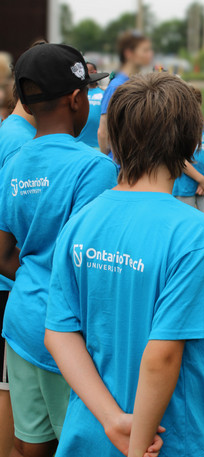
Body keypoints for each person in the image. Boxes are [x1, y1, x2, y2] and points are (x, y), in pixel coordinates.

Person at [44, 73, 204, 457]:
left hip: (91, 433)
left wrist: (112, 420)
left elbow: (59, 334)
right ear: (191, 143)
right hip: (165, 440)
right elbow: (162, 354)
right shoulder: (197, 233)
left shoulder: (80, 221)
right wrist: (137, 441)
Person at [0, 43, 120, 457]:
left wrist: (37, 276)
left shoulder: (13, 163)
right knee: (79, 446)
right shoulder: (95, 168)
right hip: (66, 337)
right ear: (76, 99)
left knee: (27, 446)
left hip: (19, 325)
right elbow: (91, 266)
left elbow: (2, 253)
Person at [0, 80, 36, 457]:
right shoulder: (21, 141)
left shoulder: (9, 130)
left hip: (11, 281)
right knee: (8, 393)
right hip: (11, 283)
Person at [98, 31, 153, 155]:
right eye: (145, 50)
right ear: (129, 53)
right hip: (120, 166)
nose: (150, 54)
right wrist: (108, 162)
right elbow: (103, 132)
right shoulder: (116, 86)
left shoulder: (136, 82)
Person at [173, 87, 204, 215]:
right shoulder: (179, 130)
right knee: (186, 225)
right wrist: (201, 179)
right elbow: (180, 160)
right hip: (184, 188)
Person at [77, 62, 104, 149]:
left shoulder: (104, 94)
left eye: (92, 72)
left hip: (98, 145)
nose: (90, 75)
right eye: (87, 72)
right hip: (80, 143)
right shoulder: (79, 94)